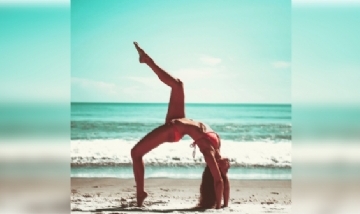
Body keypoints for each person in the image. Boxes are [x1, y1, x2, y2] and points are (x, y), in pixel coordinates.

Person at [130, 42, 230, 209]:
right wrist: (226, 204)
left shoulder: (209, 152)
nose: (228, 165)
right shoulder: (217, 143)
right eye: (227, 167)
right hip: (180, 120)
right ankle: (146, 60)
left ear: (215, 169)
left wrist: (219, 207)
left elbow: (219, 181)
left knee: (135, 153)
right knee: (178, 85)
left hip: (173, 130)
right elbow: (223, 181)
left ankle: (140, 193)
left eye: (225, 168)